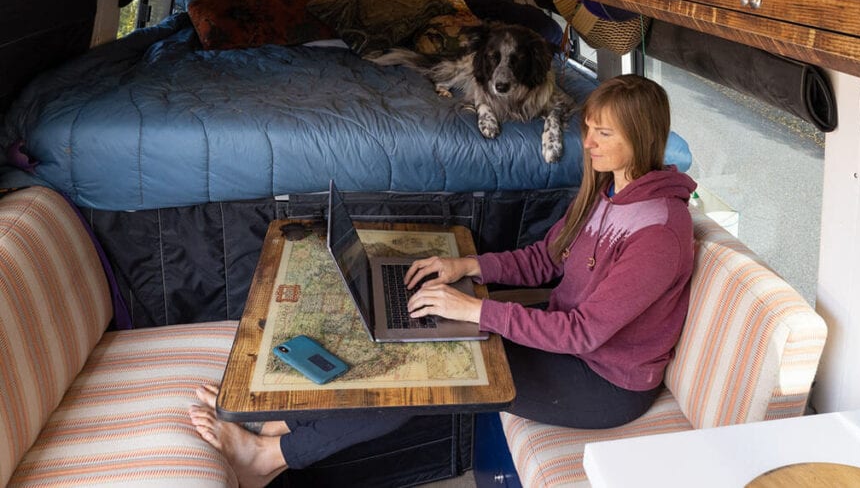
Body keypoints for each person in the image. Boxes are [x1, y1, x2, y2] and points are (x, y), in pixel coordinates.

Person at [189, 74, 697, 487]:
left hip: (602, 381)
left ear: (641, 136)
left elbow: (585, 333)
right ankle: (280, 420)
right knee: (417, 342)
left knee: (426, 377)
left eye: (604, 133)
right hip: (563, 343)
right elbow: (546, 259)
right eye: (587, 127)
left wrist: (475, 309)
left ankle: (268, 456)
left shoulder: (659, 233)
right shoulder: (608, 194)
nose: (587, 144)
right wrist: (467, 267)